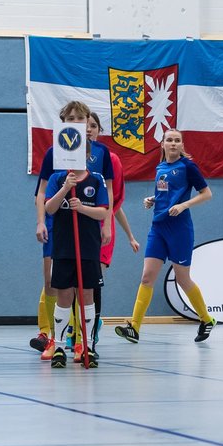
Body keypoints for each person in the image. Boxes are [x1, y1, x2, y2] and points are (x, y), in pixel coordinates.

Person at [114, 129, 216, 344]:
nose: (173, 143)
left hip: (179, 230)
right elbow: (166, 192)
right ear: (162, 144)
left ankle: (206, 319)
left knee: (183, 279)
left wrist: (183, 205)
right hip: (158, 228)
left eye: (177, 140)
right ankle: (134, 327)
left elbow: (206, 194)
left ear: (181, 145)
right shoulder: (160, 167)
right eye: (169, 140)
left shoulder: (188, 166)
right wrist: (153, 199)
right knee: (147, 277)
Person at [32, 101, 114, 361]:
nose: (76, 122)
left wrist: (107, 224)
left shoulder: (99, 153)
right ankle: (50, 337)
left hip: (88, 226)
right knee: (55, 283)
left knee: (87, 287)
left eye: (81, 118)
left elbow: (107, 193)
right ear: (63, 120)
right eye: (71, 118)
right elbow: (42, 192)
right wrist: (41, 221)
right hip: (59, 225)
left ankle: (81, 341)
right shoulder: (52, 153)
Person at [44, 163, 109, 368]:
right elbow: (49, 208)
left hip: (88, 246)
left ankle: (88, 345)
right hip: (63, 246)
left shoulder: (96, 179)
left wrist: (81, 208)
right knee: (64, 295)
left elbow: (102, 213)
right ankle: (60, 347)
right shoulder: (57, 179)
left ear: (87, 155)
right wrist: (65, 188)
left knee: (87, 295)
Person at [90, 110, 139, 354]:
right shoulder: (66, 158)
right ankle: (73, 331)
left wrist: (126, 233)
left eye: (92, 125)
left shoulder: (111, 159)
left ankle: (91, 330)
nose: (87, 129)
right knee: (71, 284)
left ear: (100, 130)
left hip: (101, 228)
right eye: (83, 124)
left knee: (94, 281)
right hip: (75, 226)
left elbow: (114, 202)